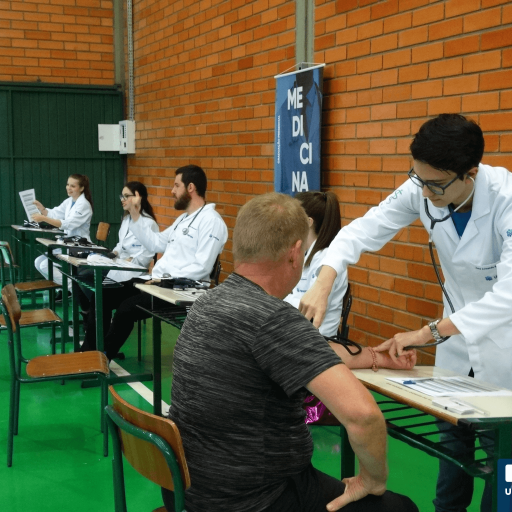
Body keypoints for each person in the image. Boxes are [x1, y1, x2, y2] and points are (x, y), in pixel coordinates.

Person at [299, 113, 512, 512]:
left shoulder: (506, 200)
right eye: (418, 179)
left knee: (502, 466)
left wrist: (426, 333)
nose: (425, 192)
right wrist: (325, 278)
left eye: (436, 184)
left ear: (471, 173)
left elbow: (508, 295)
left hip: (505, 346)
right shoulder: (423, 185)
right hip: (457, 350)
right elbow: (364, 229)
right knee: (452, 450)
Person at [163, 192, 418, 512]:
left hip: (187, 488)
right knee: (399, 507)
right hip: (255, 500)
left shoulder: (206, 303)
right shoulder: (275, 318)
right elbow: (364, 416)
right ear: (296, 253)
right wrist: (373, 480)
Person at [95, 164, 227, 361]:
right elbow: (156, 242)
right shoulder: (183, 219)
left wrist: (165, 281)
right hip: (158, 282)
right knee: (104, 295)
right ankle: (88, 353)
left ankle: (103, 358)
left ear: (190, 188)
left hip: (179, 290)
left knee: (125, 309)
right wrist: (135, 214)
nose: (172, 191)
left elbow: (203, 268)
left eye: (176, 186)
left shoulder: (212, 221)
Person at [79, 181, 159, 352]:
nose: (122, 199)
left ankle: (96, 326)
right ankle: (92, 339)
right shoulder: (126, 219)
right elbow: (120, 246)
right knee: (88, 282)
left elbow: (146, 255)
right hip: (118, 266)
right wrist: (113, 254)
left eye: (126, 196)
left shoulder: (148, 223)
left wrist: (130, 259)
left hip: (132, 273)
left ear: (138, 197)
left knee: (91, 283)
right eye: (121, 196)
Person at [32, 174, 93, 286]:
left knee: (45, 265)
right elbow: (55, 213)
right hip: (67, 245)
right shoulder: (69, 201)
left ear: (81, 188)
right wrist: (42, 209)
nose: (68, 188)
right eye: (67, 184)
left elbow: (68, 224)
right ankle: (62, 288)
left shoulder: (83, 205)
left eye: (73, 186)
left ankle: (73, 289)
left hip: (79, 248)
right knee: (38, 262)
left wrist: (44, 218)